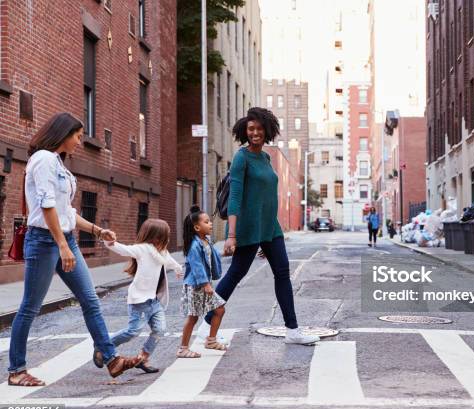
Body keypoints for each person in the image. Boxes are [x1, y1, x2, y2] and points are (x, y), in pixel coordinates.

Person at [8, 112, 141, 386]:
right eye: (78, 136)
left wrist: (96, 230)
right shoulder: (43, 159)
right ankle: (16, 370)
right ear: (64, 133)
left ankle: (111, 358)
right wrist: (61, 246)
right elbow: (46, 207)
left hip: (63, 239)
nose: (80, 141)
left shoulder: (58, 163)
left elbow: (65, 211)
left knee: (90, 300)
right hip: (45, 242)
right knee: (30, 307)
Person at [203, 107, 319, 345]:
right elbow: (235, 197)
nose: (255, 132)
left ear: (267, 130)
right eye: (250, 129)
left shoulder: (265, 157)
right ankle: (207, 317)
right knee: (236, 274)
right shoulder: (241, 158)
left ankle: (293, 330)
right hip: (246, 227)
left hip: (270, 227)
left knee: (283, 272)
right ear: (245, 132)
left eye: (259, 128)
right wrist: (232, 235)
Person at [93, 219, 183, 373]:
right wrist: (109, 242)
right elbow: (124, 250)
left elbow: (169, 261)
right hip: (139, 300)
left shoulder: (162, 252)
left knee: (160, 329)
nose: (168, 239)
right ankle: (103, 346)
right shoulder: (143, 249)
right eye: (165, 236)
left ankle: (143, 358)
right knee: (133, 331)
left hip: (154, 302)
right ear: (156, 236)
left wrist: (177, 268)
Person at [178, 206, 227, 357]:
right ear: (197, 227)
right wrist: (206, 284)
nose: (211, 224)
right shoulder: (194, 245)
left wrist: (225, 252)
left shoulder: (205, 241)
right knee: (193, 317)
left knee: (219, 310)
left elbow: (212, 256)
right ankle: (183, 349)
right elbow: (197, 266)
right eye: (207, 222)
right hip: (196, 286)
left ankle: (211, 340)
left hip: (204, 285)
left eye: (210, 221)